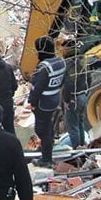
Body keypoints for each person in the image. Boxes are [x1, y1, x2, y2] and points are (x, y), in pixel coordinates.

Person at [28, 36, 66, 167]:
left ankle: (46, 159)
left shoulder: (44, 68)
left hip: (42, 103)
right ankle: (46, 151)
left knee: (42, 130)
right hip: (54, 99)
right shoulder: (61, 62)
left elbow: (37, 88)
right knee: (48, 128)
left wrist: (31, 102)